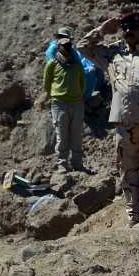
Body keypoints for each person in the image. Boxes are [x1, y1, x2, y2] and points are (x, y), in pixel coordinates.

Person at [77, 11, 139, 228]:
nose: (128, 32)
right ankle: (133, 215)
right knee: (128, 170)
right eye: (125, 28)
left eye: (133, 28)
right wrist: (102, 30)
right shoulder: (112, 55)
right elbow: (82, 47)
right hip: (123, 124)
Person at [42, 28, 87, 174]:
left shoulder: (77, 64)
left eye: (69, 45)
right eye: (63, 45)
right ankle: (62, 164)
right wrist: (57, 96)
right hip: (59, 105)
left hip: (76, 104)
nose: (67, 48)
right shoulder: (52, 64)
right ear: (58, 47)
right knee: (62, 136)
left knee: (77, 136)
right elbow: (47, 84)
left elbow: (83, 84)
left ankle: (77, 163)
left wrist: (75, 95)